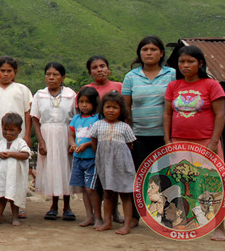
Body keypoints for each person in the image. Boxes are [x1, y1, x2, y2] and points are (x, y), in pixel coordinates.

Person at [163, 45, 225, 241]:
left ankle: (219, 227)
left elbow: (221, 114)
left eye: (190, 61)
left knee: (211, 183)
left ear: (200, 63)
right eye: (182, 62)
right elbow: (167, 114)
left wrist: (214, 141)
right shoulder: (174, 86)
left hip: (206, 142)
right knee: (182, 185)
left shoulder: (211, 85)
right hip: (179, 143)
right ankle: (184, 224)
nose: (185, 65)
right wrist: (167, 140)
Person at [122, 36, 174, 225]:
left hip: (165, 136)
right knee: (139, 176)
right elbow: (126, 108)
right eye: (145, 49)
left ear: (161, 53)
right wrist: (129, 136)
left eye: (153, 49)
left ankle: (167, 216)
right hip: (139, 136)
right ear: (139, 53)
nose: (149, 53)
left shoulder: (172, 74)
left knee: (165, 177)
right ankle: (135, 216)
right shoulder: (131, 77)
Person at [32, 62, 77, 221]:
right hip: (47, 134)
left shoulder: (71, 95)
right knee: (51, 169)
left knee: (65, 168)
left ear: (63, 77)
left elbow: (76, 118)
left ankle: (67, 206)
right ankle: (53, 206)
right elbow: (35, 119)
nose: (51, 78)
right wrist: (41, 141)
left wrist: (72, 141)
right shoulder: (39, 95)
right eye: (48, 74)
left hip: (66, 133)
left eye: (55, 74)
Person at [91, 92, 137, 235]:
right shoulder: (97, 125)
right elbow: (94, 143)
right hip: (105, 165)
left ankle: (127, 225)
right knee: (108, 193)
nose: (111, 110)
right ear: (102, 108)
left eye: (115, 107)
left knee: (125, 195)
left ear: (121, 110)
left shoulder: (124, 127)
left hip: (122, 166)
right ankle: (107, 222)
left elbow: (129, 145)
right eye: (108, 107)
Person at [68, 87, 102, 228]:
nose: (84, 105)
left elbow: (98, 137)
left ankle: (98, 217)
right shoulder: (76, 118)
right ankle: (89, 216)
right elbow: (70, 135)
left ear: (94, 103)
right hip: (78, 158)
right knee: (83, 189)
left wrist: (87, 145)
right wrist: (74, 144)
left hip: (91, 159)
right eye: (81, 102)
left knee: (91, 189)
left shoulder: (98, 118)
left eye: (87, 102)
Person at [0, 113, 32, 226]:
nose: (8, 133)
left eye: (11, 130)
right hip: (2, 177)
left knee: (14, 198)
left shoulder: (21, 143)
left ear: (19, 130)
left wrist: (11, 154)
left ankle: (15, 217)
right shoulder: (0, 144)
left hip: (15, 177)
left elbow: (25, 155)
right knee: (1, 198)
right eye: (5, 130)